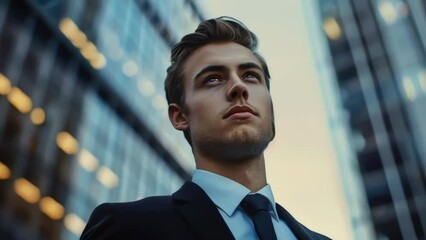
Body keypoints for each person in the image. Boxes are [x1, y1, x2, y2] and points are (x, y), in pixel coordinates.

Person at [80, 17, 331, 240]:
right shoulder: (128, 228)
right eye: (212, 79)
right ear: (179, 116)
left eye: (251, 76)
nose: (238, 87)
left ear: (271, 114)